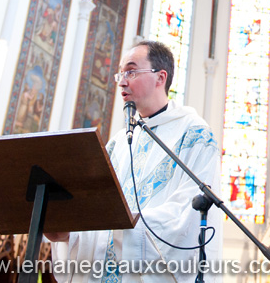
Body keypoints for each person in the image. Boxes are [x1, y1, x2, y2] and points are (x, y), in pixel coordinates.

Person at [48, 40, 222, 282]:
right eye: (120, 73)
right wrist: (70, 234)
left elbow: (189, 215)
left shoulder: (195, 134)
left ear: (160, 78)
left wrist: (127, 228)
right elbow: (98, 213)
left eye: (131, 71)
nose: (121, 81)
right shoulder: (117, 145)